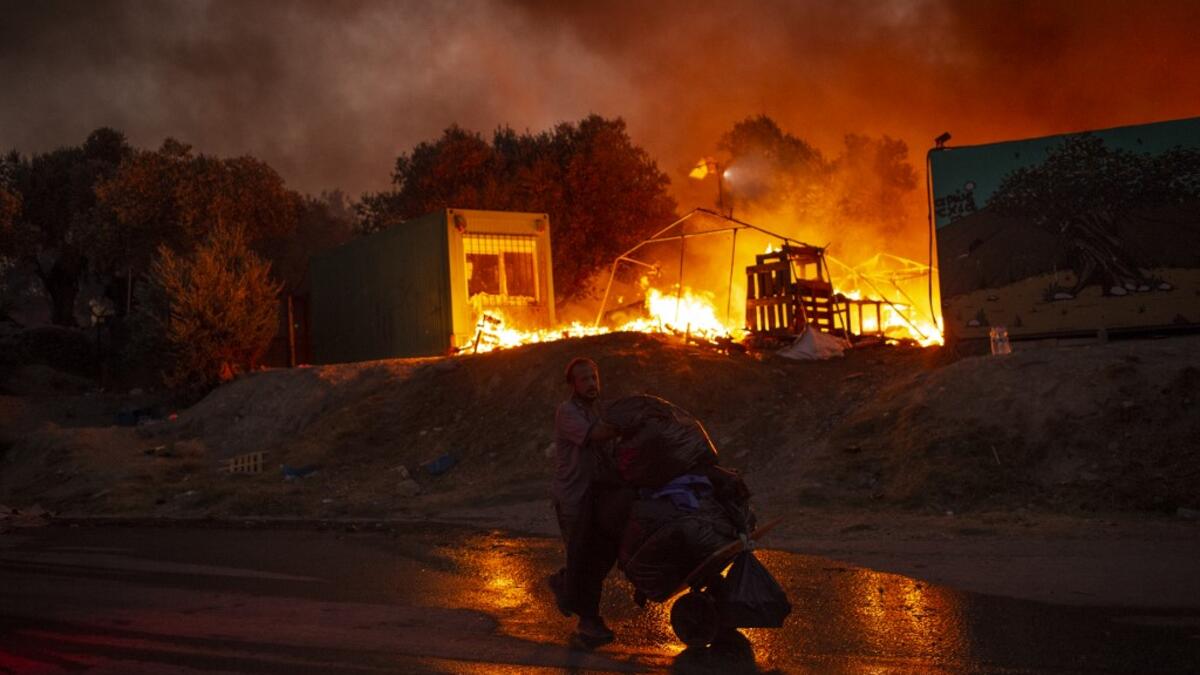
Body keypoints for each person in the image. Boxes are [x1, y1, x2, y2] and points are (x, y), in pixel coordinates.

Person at [548, 357, 631, 645]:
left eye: (594, 377)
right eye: (584, 379)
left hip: (597, 497)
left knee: (595, 558)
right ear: (573, 385)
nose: (591, 384)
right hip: (574, 498)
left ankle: (565, 581)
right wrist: (632, 423)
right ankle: (588, 625)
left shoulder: (601, 410)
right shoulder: (567, 412)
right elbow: (597, 435)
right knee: (583, 559)